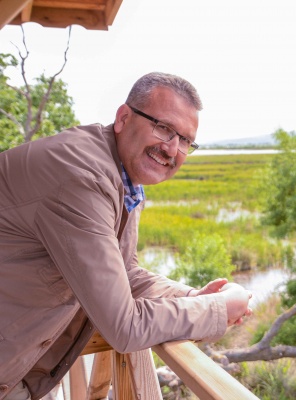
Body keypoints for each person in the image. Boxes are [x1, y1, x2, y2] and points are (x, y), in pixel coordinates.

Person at [0, 72, 252, 399]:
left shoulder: (123, 176)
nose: (172, 148)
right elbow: (124, 326)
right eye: (163, 127)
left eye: (186, 141)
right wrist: (217, 309)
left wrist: (192, 298)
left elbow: (126, 271)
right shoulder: (82, 177)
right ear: (123, 118)